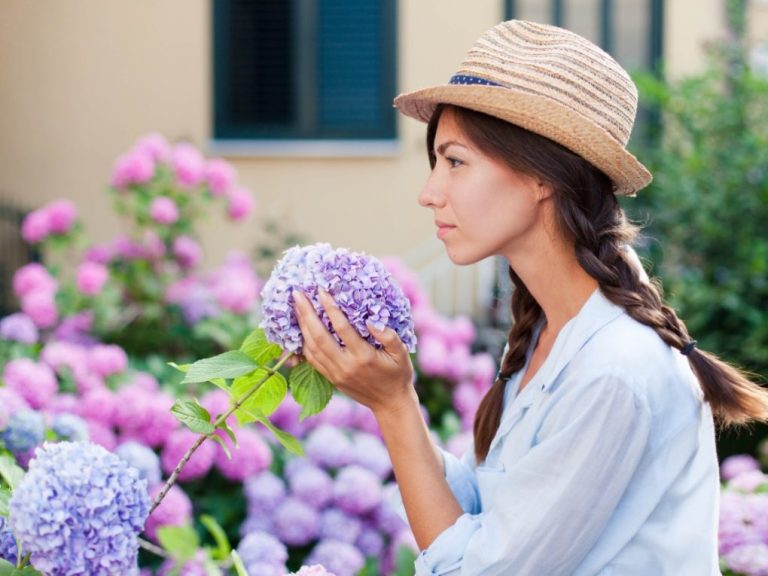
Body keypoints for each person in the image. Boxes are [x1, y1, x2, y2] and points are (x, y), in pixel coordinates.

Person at [291, 19, 768, 575]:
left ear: (543, 174)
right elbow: (485, 514)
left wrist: (395, 405)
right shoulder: (551, 332)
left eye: (455, 161)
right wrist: (385, 395)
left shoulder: (614, 371)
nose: (429, 193)